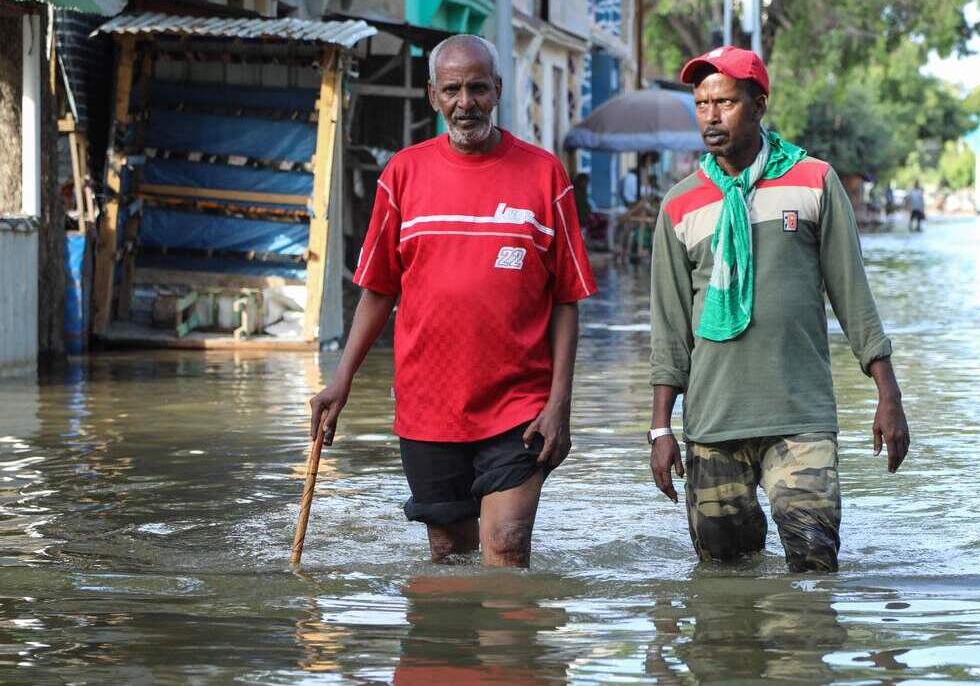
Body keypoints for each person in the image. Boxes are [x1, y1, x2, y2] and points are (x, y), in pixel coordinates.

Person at [308, 34, 596, 568]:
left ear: (498, 91)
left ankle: (512, 650)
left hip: (519, 406)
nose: (467, 103)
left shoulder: (544, 174)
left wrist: (559, 404)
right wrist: (341, 378)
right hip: (428, 404)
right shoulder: (402, 174)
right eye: (454, 90)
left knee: (507, 546)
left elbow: (565, 301)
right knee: (447, 552)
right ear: (433, 97)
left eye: (478, 88)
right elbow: (378, 290)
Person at [647, 45, 909, 573]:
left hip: (800, 418)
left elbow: (852, 294)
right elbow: (670, 327)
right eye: (701, 104)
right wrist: (660, 430)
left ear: (759, 105)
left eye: (725, 102)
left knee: (814, 564)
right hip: (713, 421)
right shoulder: (681, 203)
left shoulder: (813, 182)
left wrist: (889, 394)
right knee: (725, 577)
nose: (711, 116)